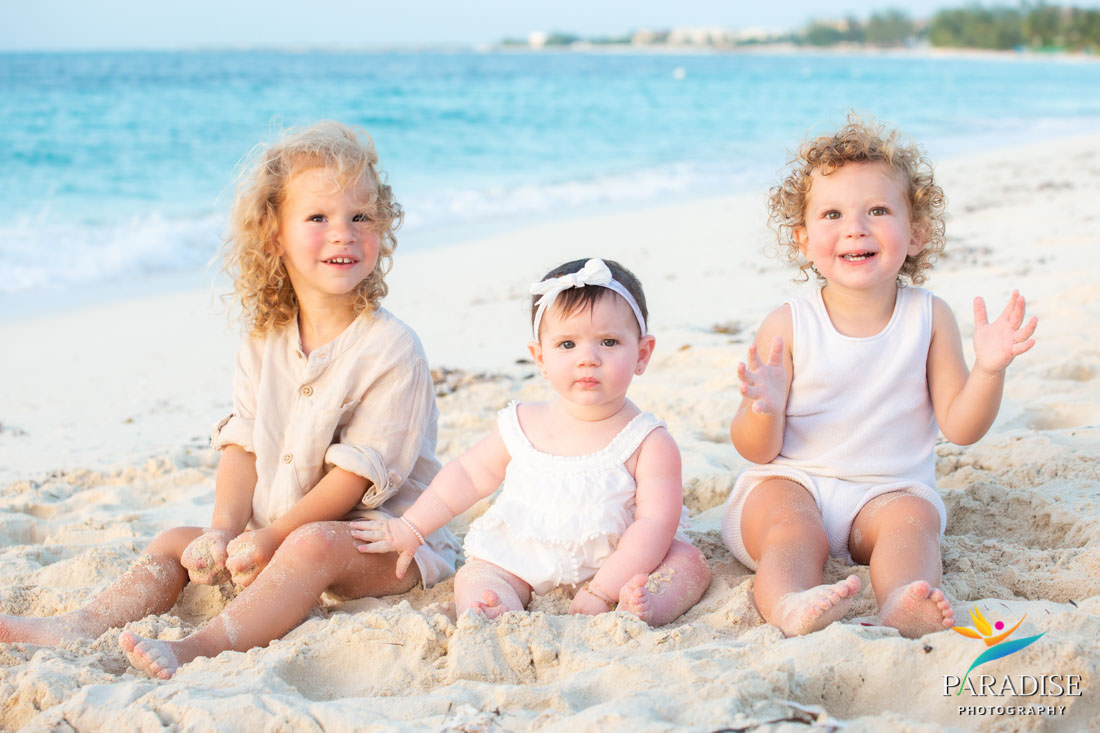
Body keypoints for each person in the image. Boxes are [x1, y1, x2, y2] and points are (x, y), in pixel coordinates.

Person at [0, 121, 458, 678]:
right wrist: (223, 530)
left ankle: (201, 647)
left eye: (360, 216)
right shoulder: (264, 339)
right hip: (271, 534)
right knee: (176, 541)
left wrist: (271, 537)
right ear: (274, 237)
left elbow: (356, 480)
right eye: (318, 217)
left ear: (381, 231)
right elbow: (242, 447)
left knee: (310, 546)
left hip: (380, 542)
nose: (344, 232)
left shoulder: (392, 348)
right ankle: (79, 623)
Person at [722, 116, 1037, 638]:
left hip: (888, 489)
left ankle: (900, 601)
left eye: (878, 210)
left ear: (915, 233)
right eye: (832, 214)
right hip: (793, 481)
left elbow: (961, 427)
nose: (855, 227)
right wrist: (766, 409)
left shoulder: (929, 317)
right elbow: (754, 449)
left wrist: (988, 369)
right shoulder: (789, 325)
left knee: (912, 527)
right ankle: (789, 603)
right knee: (790, 530)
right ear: (803, 239)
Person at [352, 258, 711, 625]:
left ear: (642, 354)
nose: (588, 359)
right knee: (477, 575)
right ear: (540, 357)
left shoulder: (648, 441)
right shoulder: (521, 423)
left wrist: (603, 589)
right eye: (567, 344)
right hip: (523, 559)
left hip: (619, 560)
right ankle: (495, 610)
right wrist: (411, 527)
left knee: (687, 563)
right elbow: (467, 476)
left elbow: (654, 524)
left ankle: (639, 606)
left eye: (609, 341)